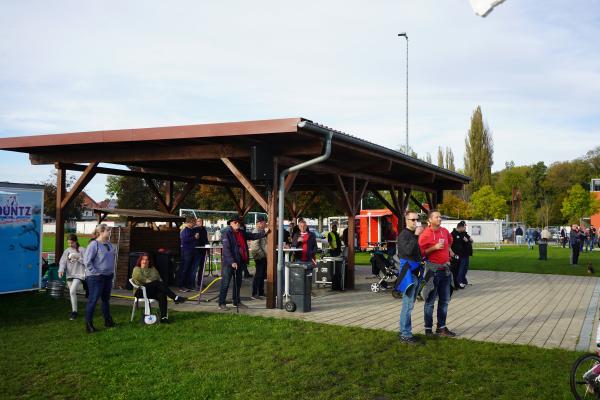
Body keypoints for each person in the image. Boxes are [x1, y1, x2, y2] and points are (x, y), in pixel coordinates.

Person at [418, 210, 456, 337]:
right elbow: (421, 253)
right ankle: (428, 330)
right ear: (430, 220)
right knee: (430, 301)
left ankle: (441, 328)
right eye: (437, 217)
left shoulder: (444, 231)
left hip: (445, 270)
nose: (440, 218)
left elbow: (450, 240)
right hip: (432, 271)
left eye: (440, 217)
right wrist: (434, 248)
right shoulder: (425, 234)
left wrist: (449, 249)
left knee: (444, 301)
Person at [218, 217, 269, 311]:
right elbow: (226, 249)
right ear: (230, 223)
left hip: (240, 261)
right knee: (225, 283)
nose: (237, 223)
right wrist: (232, 261)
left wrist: (264, 233)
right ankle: (221, 303)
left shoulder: (241, 232)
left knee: (238, 283)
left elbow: (253, 236)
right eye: (235, 222)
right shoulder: (227, 233)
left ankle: (236, 301)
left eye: (239, 222)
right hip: (229, 263)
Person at [131, 253, 186, 323]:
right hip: (140, 291)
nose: (145, 261)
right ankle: (175, 297)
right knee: (156, 283)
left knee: (162, 294)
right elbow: (140, 278)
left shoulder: (153, 269)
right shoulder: (137, 269)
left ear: (149, 261)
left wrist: (150, 281)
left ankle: (164, 317)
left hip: (151, 291)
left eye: (147, 260)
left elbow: (159, 279)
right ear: (140, 261)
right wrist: (150, 280)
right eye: (143, 259)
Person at [83, 224, 116, 333]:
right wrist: (95, 272)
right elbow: (87, 261)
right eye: (108, 230)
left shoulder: (109, 244)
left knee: (106, 300)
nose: (109, 232)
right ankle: (89, 325)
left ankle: (108, 321)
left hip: (108, 276)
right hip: (96, 278)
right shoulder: (94, 244)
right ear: (101, 232)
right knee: (93, 300)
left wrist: (111, 272)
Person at [397, 211, 424, 344]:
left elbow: (416, 252)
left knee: (409, 305)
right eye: (412, 220)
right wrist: (416, 236)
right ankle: (405, 334)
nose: (415, 222)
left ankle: (405, 331)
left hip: (415, 272)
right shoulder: (404, 235)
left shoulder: (413, 235)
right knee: (407, 306)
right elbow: (407, 251)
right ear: (406, 220)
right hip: (408, 273)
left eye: (416, 219)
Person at [58, 234, 86, 320]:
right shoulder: (67, 250)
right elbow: (62, 261)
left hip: (79, 274)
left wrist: (78, 258)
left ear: (76, 241)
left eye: (72, 243)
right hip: (69, 274)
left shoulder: (82, 250)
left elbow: (87, 262)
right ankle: (74, 311)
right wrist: (61, 270)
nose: (70, 245)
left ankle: (74, 312)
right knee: (72, 293)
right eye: (69, 243)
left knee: (72, 291)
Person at [249, 217, 268, 300]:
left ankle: (261, 292)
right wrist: (263, 255)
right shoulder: (256, 231)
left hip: (262, 256)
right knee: (258, 275)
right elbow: (255, 246)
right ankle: (255, 293)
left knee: (262, 275)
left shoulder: (261, 231)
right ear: (260, 223)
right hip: (259, 256)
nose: (266, 224)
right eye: (264, 223)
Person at [178, 216, 197, 292]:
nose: (195, 223)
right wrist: (194, 238)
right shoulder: (185, 230)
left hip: (191, 251)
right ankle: (181, 286)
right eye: (194, 222)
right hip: (186, 251)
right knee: (184, 269)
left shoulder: (191, 230)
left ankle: (187, 285)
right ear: (190, 222)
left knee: (189, 269)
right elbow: (184, 240)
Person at [193, 218, 209, 288]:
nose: (201, 222)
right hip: (197, 251)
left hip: (204, 250)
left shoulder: (204, 229)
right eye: (199, 221)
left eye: (202, 221)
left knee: (202, 268)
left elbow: (205, 239)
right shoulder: (195, 229)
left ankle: (200, 282)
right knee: (195, 268)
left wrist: (208, 249)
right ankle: (192, 283)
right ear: (196, 222)